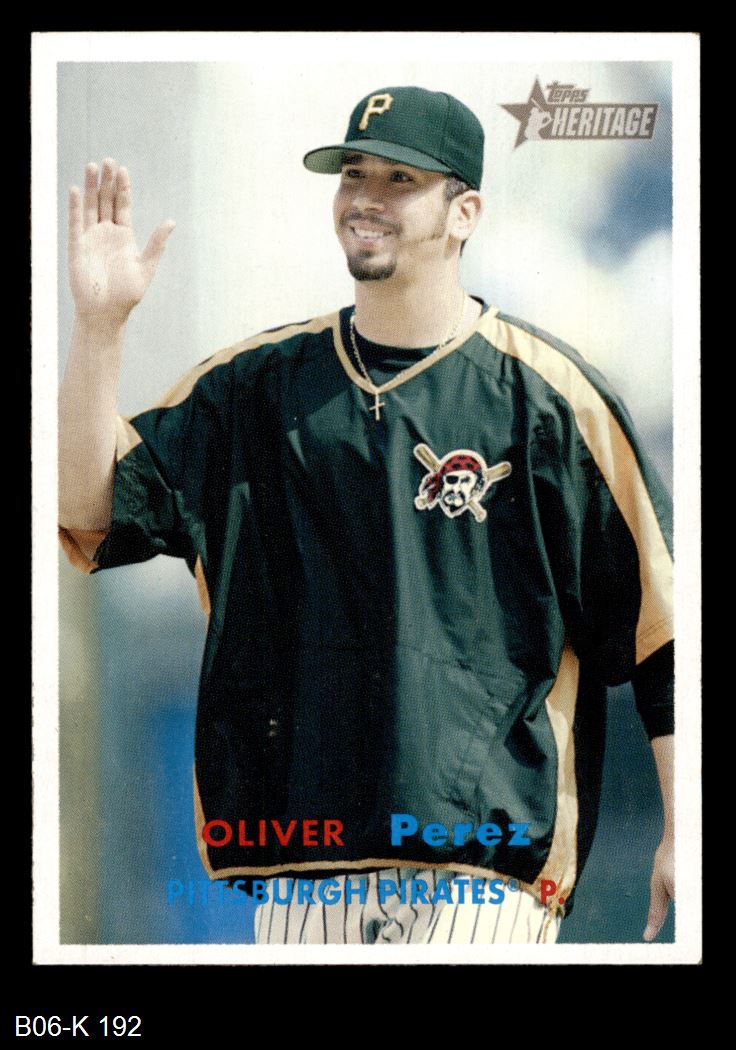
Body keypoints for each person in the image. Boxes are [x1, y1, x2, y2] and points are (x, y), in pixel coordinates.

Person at [58, 86, 674, 945]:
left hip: (486, 869)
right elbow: (88, 510)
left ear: (465, 212)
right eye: (353, 174)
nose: (365, 198)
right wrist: (98, 330)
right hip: (303, 871)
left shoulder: (549, 400)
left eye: (399, 179)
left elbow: (661, 633)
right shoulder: (254, 388)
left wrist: (684, 824)